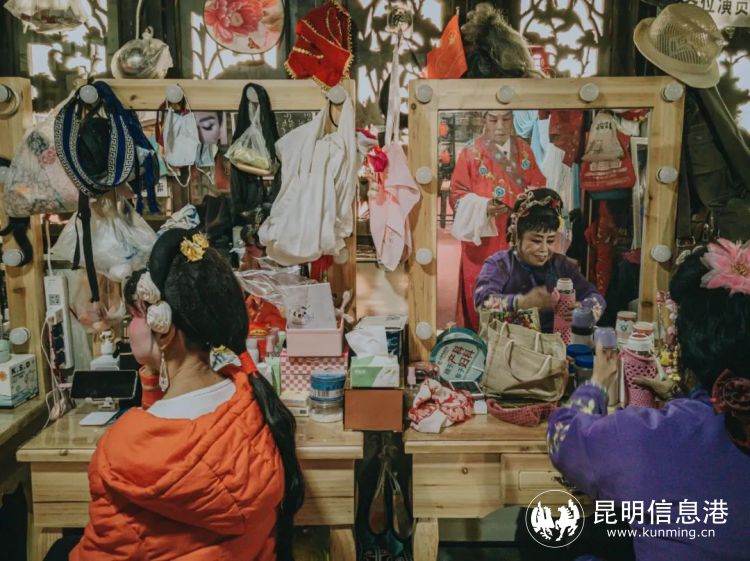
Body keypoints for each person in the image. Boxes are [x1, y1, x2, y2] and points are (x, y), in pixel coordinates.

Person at [47, 228, 304, 561]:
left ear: (165, 329)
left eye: (135, 316)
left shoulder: (121, 451)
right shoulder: (253, 403)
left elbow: (104, 552)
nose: (130, 327)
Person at [547, 240, 750, 560]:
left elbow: (563, 437)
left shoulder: (651, 435)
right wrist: (679, 396)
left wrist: (597, 384)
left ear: (681, 344)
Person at [449, 109, 546, 331]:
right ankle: (481, 338)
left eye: (506, 119)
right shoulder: (470, 153)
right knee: (483, 288)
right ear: (484, 120)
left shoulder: (524, 150)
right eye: (493, 120)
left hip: (517, 236)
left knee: (519, 292)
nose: (500, 126)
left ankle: (516, 342)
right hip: (484, 238)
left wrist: (529, 201)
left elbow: (539, 186)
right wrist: (483, 207)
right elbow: (456, 195)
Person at [474, 188, 605, 333]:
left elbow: (596, 298)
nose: (544, 249)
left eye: (550, 240)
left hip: (554, 343)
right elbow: (482, 302)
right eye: (536, 240)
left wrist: (583, 310)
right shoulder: (500, 264)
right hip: (507, 341)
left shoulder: (561, 265)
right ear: (517, 237)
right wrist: (521, 302)